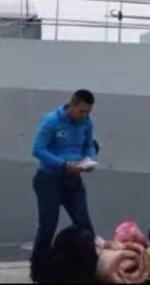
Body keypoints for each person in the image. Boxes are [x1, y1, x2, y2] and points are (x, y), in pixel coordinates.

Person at [29, 89, 98, 281]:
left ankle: (87, 269)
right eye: (81, 111)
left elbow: (89, 145)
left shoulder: (86, 123)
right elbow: (38, 150)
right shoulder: (52, 121)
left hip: (73, 178)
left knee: (84, 224)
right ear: (72, 105)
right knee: (47, 227)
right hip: (49, 178)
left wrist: (89, 159)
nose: (84, 116)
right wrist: (63, 165)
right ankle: (38, 270)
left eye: (88, 112)